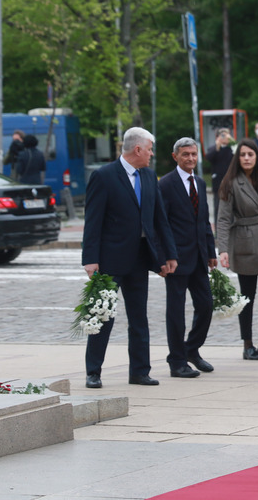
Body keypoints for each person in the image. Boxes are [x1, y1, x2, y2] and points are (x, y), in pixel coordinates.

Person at [81, 127, 178, 388]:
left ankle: (139, 371)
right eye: (149, 149)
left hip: (139, 259)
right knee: (102, 316)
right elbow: (93, 221)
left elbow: (160, 219)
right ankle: (93, 372)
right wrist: (90, 259)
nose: (151, 155)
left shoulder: (148, 176)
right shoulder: (104, 176)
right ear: (137, 150)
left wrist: (168, 254)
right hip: (109, 260)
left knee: (139, 318)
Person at [217, 138, 258, 360]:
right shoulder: (230, 182)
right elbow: (224, 219)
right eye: (243, 154)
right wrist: (223, 249)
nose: (247, 158)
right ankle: (247, 344)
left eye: (251, 154)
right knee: (247, 296)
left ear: (256, 156)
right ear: (238, 157)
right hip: (244, 242)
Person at [159, 138, 218, 378]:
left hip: (199, 257)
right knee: (176, 311)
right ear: (176, 157)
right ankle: (177, 361)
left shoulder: (200, 183)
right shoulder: (166, 184)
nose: (190, 159)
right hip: (176, 259)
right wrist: (166, 256)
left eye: (193, 154)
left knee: (206, 305)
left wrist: (211, 251)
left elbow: (203, 220)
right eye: (185, 154)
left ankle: (191, 349)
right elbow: (161, 224)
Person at [206, 128, 234, 222]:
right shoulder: (213, 148)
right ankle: (219, 230)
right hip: (218, 182)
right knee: (218, 206)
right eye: (222, 135)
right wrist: (217, 145)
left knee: (233, 206)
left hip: (231, 181)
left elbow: (239, 153)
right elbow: (209, 157)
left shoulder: (232, 148)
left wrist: (232, 141)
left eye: (226, 135)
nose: (224, 137)